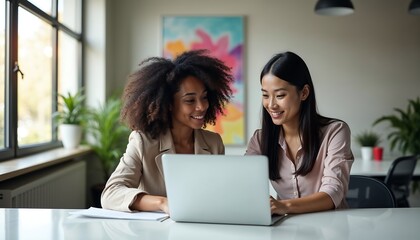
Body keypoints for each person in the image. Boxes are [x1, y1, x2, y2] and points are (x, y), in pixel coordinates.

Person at [101, 50, 233, 213]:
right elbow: (111, 193)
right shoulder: (143, 141)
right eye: (190, 100)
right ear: (169, 104)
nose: (202, 106)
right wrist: (163, 203)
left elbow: (219, 195)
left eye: (204, 97)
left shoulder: (214, 143)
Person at [246, 51, 354, 215]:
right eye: (265, 95)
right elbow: (242, 184)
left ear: (304, 93)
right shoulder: (260, 140)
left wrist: (284, 206)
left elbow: (333, 192)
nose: (271, 104)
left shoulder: (335, 132)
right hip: (285, 230)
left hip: (331, 228)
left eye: (280, 95)